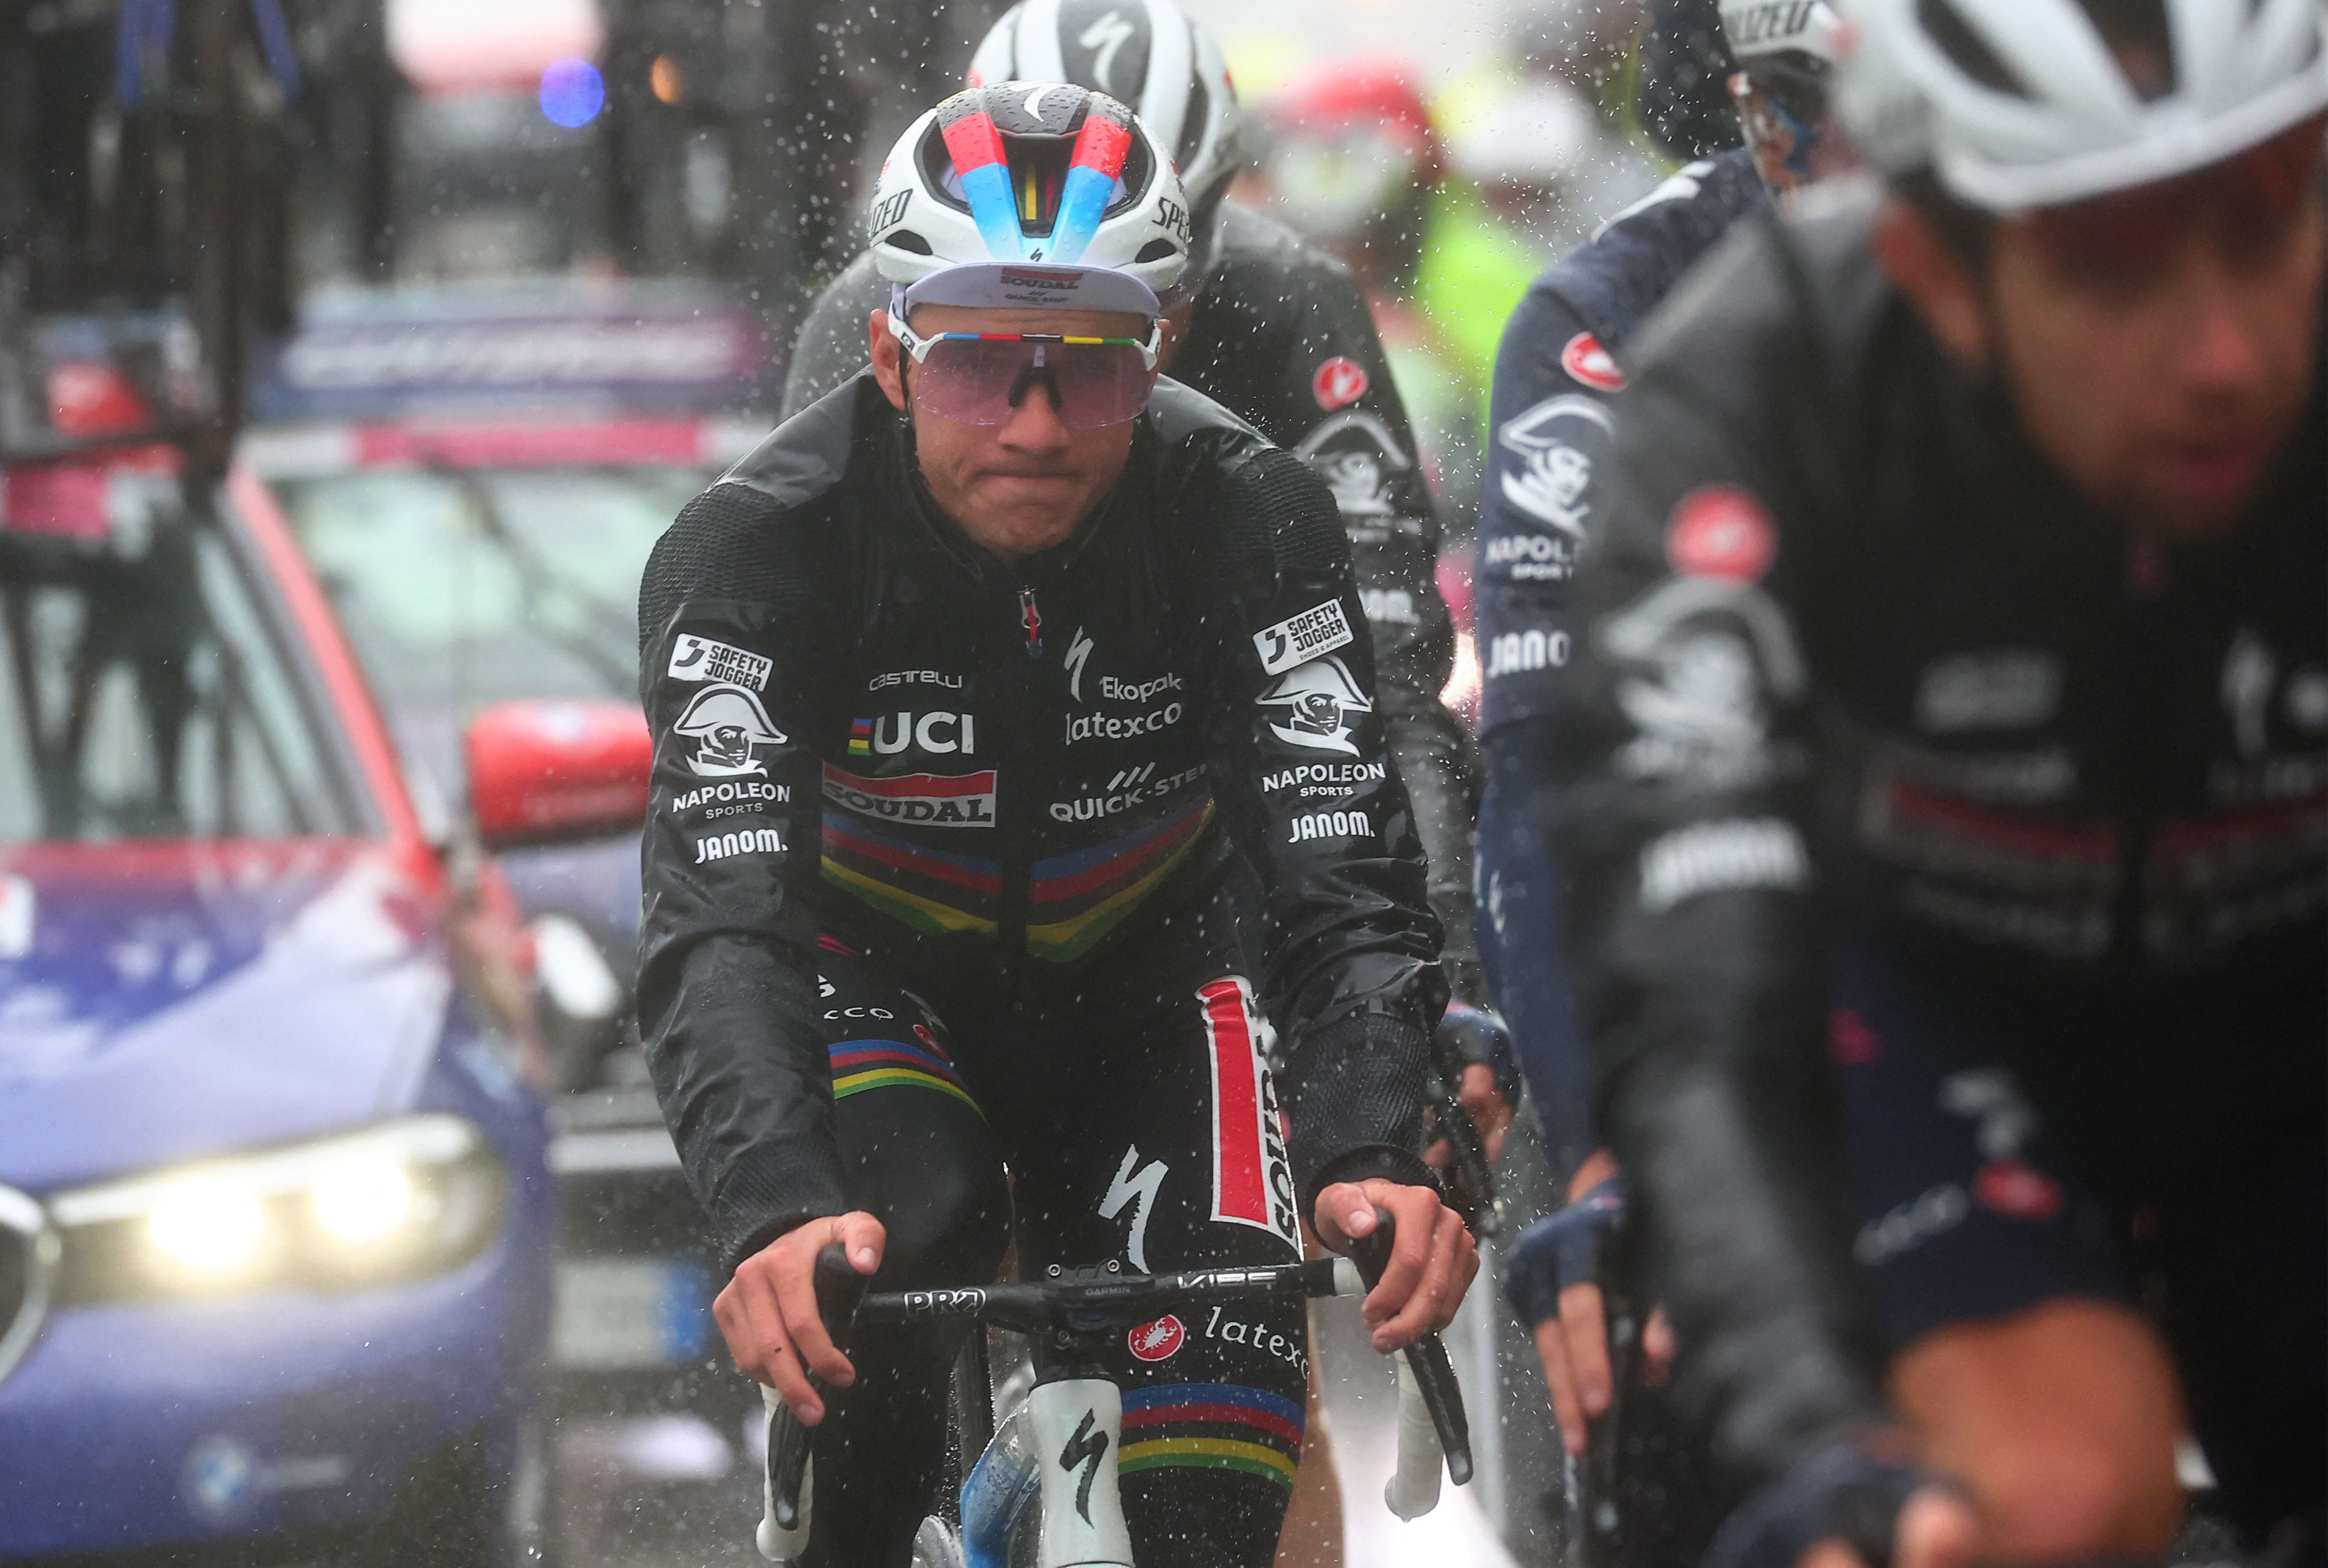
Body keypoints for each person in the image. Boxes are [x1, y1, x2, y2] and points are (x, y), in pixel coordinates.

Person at [638, 84, 1478, 1568]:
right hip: (875, 978)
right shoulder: (755, 550)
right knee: (900, 1238)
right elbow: (724, 919)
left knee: (1218, 1453)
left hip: (1159, 974)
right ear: (892, 354)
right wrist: (769, 1202)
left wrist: (1377, 1139)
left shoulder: (1251, 515)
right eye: (979, 365)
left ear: (1159, 353)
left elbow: (1340, 873)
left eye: (1086, 367)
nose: (1032, 421)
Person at [1540, 0, 2328, 1563]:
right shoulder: (1759, 394)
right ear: (1935, 271)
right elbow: (1697, 997)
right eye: (2108, 261)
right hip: (1945, 1010)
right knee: (2045, 1506)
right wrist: (1823, 1441)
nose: (2224, 348)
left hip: (2287, 984)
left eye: (2265, 224)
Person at [779, 5, 1507, 1164]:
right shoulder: (858, 318)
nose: (1063, 347)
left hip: (1193, 819)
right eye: (983, 338)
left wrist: (1443, 984)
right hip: (937, 849)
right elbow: (794, 680)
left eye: (1168, 256)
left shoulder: (1292, 297)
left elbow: (1386, 685)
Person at [1479, 0, 1847, 1477]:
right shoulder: (1608, 320)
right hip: (1739, 917)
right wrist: (1604, 1155)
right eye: (1799, 121)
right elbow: (1550, 779)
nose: (1863, 176)